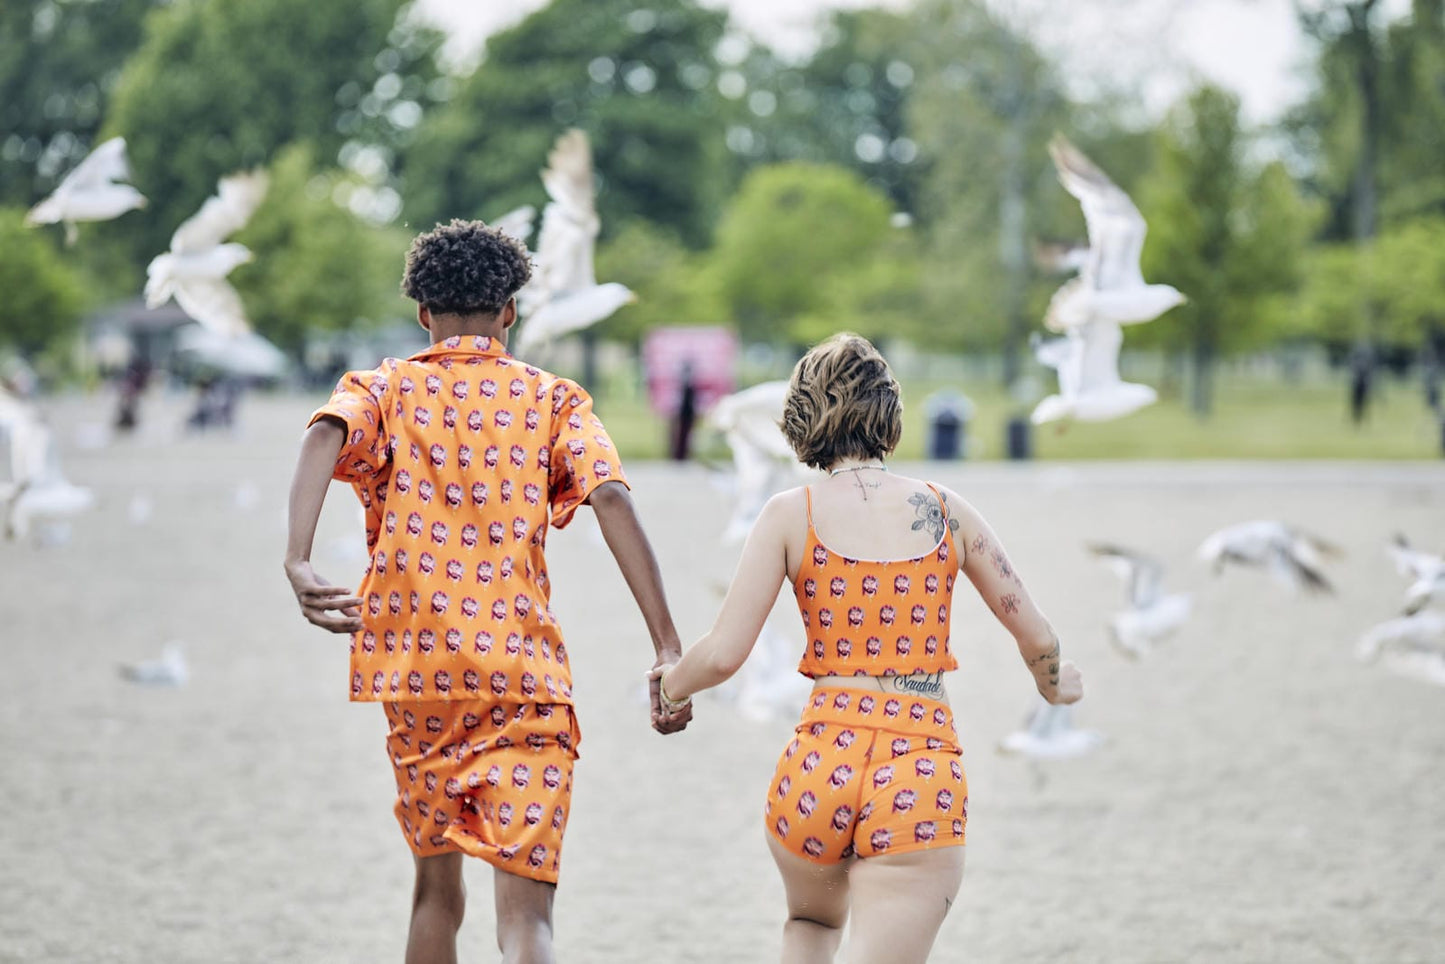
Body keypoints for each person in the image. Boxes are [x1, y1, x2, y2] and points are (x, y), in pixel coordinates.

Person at [283, 219, 690, 964]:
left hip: (418, 680)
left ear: (421, 313)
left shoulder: (385, 389)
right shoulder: (554, 401)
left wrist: (299, 559)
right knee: (526, 919)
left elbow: (324, 434)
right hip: (522, 678)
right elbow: (611, 499)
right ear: (510, 311)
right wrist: (667, 644)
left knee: (435, 896)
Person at [653, 334, 1083, 964]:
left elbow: (722, 654)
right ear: (891, 413)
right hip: (917, 771)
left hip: (818, 768)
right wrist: (1054, 683)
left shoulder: (787, 514)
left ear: (800, 418)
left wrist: (669, 685)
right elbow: (1035, 633)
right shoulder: (946, 512)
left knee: (810, 924)